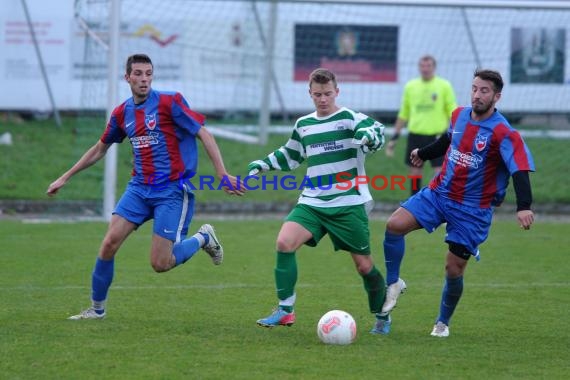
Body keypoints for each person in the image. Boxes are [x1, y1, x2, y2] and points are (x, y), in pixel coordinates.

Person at [47, 54, 244, 320]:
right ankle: (96, 309)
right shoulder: (122, 113)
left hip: (172, 190)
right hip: (139, 188)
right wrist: (65, 176)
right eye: (138, 74)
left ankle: (203, 238)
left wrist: (222, 173)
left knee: (160, 264)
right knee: (108, 244)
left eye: (148, 73)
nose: (144, 79)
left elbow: (204, 133)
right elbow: (99, 149)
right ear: (127, 77)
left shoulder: (169, 102)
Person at [381, 69, 535, 337]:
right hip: (439, 194)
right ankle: (393, 283)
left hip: (472, 210)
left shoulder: (504, 133)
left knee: (453, 268)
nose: (477, 94)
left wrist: (524, 206)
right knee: (394, 225)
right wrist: (422, 153)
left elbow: (519, 169)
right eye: (474, 88)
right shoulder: (459, 114)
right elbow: (448, 140)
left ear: (497, 96)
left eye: (484, 90)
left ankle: (442, 322)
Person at [247, 68, 392, 334]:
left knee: (364, 266)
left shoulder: (349, 118)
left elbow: (375, 131)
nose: (322, 99)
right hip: (313, 202)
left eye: (327, 94)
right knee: (284, 242)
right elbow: (290, 155)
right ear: (310, 94)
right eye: (317, 94)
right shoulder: (304, 125)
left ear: (337, 92)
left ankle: (382, 314)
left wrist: (369, 138)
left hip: (348, 203)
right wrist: (264, 164)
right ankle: (285, 310)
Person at [385, 55, 457, 195]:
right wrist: (393, 139)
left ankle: (439, 202)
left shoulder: (444, 85)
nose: (425, 69)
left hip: (437, 136)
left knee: (440, 172)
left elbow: (452, 111)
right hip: (416, 135)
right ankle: (414, 203)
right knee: (414, 171)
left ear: (434, 67)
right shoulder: (411, 86)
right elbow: (403, 114)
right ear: (419, 67)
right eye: (422, 66)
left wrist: (456, 133)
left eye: (428, 66)